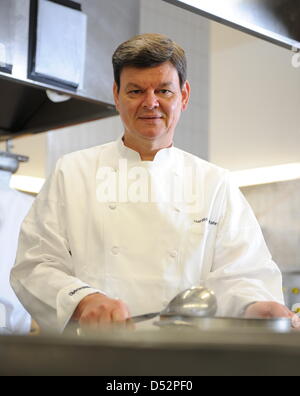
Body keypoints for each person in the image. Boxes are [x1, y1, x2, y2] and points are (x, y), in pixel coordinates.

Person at [11, 34, 299, 332]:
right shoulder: (72, 173)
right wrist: (84, 300)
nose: (150, 103)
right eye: (135, 91)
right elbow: (35, 265)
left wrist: (257, 306)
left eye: (164, 90)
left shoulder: (216, 184)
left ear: (184, 96)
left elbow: (243, 274)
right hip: (95, 354)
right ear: (116, 95)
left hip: (185, 360)